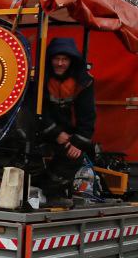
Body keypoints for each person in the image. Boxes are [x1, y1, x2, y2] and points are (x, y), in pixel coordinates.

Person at [37, 37, 96, 200]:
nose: (60, 63)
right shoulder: (40, 78)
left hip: (68, 133)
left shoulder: (83, 82)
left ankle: (53, 192)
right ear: (50, 59)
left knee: (74, 156)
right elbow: (35, 110)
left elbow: (88, 114)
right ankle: (40, 188)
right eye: (56, 58)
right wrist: (55, 132)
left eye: (64, 59)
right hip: (41, 130)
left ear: (72, 61)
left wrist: (78, 142)